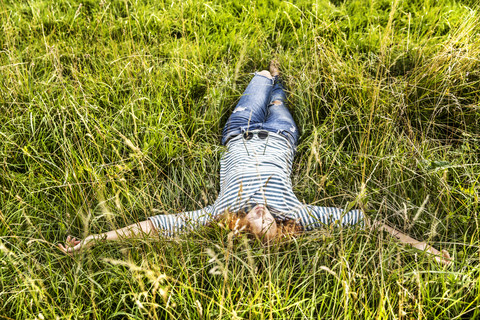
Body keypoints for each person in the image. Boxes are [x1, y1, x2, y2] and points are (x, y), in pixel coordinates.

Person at [59, 61, 451, 265]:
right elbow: (365, 222)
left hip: (239, 131)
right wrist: (422, 247)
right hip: (281, 135)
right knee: (279, 101)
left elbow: (152, 228)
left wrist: (93, 241)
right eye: (266, 224)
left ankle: (271, 73)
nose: (260, 214)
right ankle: (279, 84)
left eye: (253, 223)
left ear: (239, 228)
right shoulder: (297, 214)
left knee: (259, 80)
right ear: (278, 231)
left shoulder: (219, 213)